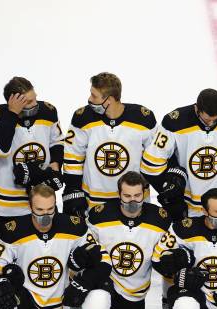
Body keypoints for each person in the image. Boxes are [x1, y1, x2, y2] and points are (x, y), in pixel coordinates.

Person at [64, 171, 171, 309]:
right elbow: (83, 248)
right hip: (105, 279)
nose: (132, 201)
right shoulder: (99, 214)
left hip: (134, 290)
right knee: (98, 298)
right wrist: (84, 277)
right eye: (127, 195)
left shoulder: (160, 218)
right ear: (118, 194)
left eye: (137, 195)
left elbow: (167, 254)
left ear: (144, 194)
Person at [140, 88, 217, 220]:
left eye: (215, 119)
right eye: (207, 119)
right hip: (187, 206)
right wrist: (170, 193)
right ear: (197, 109)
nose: (211, 123)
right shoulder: (175, 122)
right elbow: (150, 165)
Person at [62, 72, 157, 216]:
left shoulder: (143, 119)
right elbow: (73, 156)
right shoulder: (82, 118)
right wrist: (73, 189)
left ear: (109, 100)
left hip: (133, 201)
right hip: (93, 202)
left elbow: (157, 156)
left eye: (94, 96)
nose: (89, 99)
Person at [0, 77, 64, 218]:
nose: (35, 104)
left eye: (35, 99)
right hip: (6, 204)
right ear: (13, 101)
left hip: (42, 200)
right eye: (29, 102)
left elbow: (57, 142)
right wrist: (12, 114)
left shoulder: (48, 112)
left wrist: (54, 167)